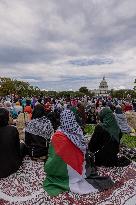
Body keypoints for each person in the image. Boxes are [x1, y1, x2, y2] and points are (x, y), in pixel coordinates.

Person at [43, 109, 114, 196]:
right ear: (73, 119)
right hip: (80, 165)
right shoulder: (78, 130)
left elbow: (53, 155)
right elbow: (85, 148)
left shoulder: (57, 136)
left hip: (60, 169)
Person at [0, 108, 26, 178]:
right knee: (23, 145)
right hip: (11, 166)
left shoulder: (12, 129)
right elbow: (17, 148)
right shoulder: (12, 129)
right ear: (6, 118)